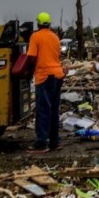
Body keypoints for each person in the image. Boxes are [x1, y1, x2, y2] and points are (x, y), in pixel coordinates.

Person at [25, 11, 65, 154]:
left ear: (38, 23)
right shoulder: (55, 37)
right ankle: (55, 142)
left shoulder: (35, 36)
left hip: (44, 76)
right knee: (54, 110)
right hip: (58, 75)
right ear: (49, 23)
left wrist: (28, 73)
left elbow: (31, 58)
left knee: (43, 110)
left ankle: (41, 143)